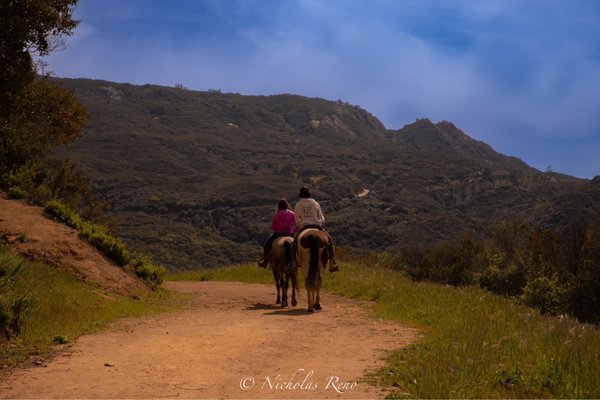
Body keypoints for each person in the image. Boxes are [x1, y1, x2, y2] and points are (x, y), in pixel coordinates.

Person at [290, 186, 339, 272]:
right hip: (317, 225)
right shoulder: (315, 203)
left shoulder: (298, 205)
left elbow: (297, 220)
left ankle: (294, 263)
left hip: (304, 226)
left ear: (300, 195)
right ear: (309, 194)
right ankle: (332, 263)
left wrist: (301, 225)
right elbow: (322, 217)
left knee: (294, 243)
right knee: (330, 241)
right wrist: (320, 223)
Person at [258, 199, 297, 268]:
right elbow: (297, 225)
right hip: (289, 234)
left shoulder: (277, 214)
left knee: (267, 245)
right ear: (287, 205)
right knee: (297, 246)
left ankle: (265, 262)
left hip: (278, 233)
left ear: (279, 206)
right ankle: (297, 261)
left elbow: (273, 226)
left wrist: (276, 230)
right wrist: (292, 231)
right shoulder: (292, 213)